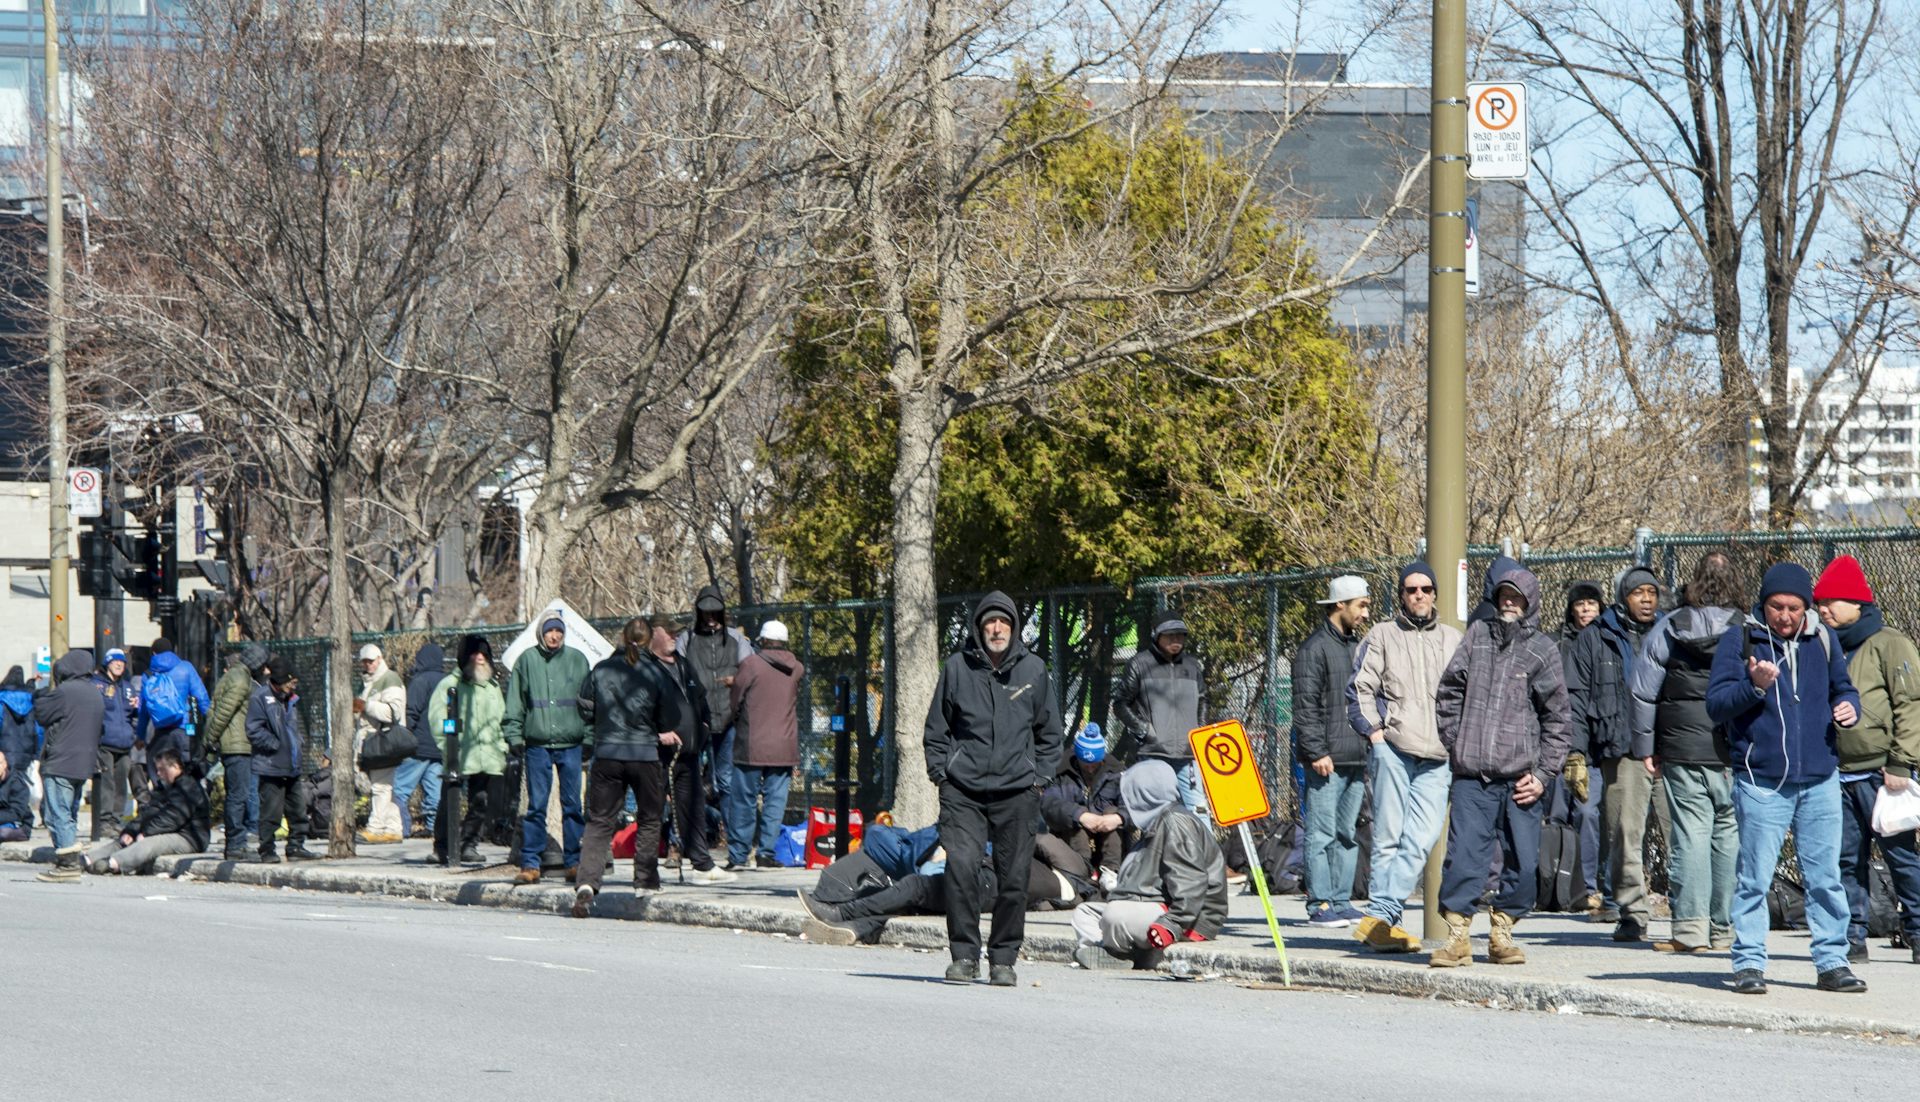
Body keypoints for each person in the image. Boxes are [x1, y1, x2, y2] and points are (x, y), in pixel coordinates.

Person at [1707, 562, 1865, 996]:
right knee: (1754, 878)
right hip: (1761, 780)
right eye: (1776, 606)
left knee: (1825, 877)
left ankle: (1833, 962)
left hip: (1819, 778)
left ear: (1807, 607)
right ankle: (1749, 964)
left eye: (1794, 607)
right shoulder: (1740, 639)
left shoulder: (1823, 639)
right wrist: (1754, 686)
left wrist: (1850, 708)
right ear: (1764, 604)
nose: (1785, 615)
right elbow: (1717, 705)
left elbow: (1843, 689)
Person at [1428, 567, 1572, 967]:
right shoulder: (1476, 637)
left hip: (1522, 780)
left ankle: (1502, 931)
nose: (1509, 602)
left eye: (1517, 596)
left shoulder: (1543, 649)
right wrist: (1458, 744)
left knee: (1524, 863)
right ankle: (1457, 937)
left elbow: (1559, 719)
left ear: (1530, 602)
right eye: (1504, 595)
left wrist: (1543, 775)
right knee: (1463, 859)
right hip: (1473, 776)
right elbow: (1449, 691)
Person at [925, 591, 1064, 987]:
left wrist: (1039, 779)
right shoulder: (956, 668)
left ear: (1014, 627)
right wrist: (942, 774)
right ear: (979, 628)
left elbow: (1049, 733)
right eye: (989, 622)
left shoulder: (1034, 670)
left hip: (1018, 791)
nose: (996, 628)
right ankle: (964, 957)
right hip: (963, 792)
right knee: (962, 868)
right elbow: (937, 729)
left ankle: (1004, 958)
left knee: (1014, 877)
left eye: (1003, 622)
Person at [1346, 561, 1463, 954]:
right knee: (1388, 838)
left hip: (1439, 754)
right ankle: (1387, 926)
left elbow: (1467, 694)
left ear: (1435, 594)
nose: (1419, 595)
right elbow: (1360, 686)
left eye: (1426, 589)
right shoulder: (1382, 635)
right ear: (1401, 595)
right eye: (1411, 589)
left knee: (1423, 837)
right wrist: (1375, 734)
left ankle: (1379, 913)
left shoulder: (1452, 639)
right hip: (1394, 749)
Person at [1630, 550, 1744, 953]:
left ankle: (1691, 929)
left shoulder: (1669, 627)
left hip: (1681, 747)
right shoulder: (1746, 629)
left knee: (1691, 833)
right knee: (1728, 834)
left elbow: (1642, 690)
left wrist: (1646, 745)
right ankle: (1723, 929)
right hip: (1732, 749)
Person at [1813, 555, 1920, 964]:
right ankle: (1851, 937)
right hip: (1835, 774)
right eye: (1819, 603)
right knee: (1845, 860)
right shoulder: (1821, 645)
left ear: (1858, 602)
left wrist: (1900, 763)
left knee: (1901, 858)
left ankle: (1917, 929)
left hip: (1881, 773)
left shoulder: (1889, 643)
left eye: (1832, 601)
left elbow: (1910, 705)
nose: (1823, 609)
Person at [1569, 565, 1669, 940]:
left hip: (1668, 747)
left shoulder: (1671, 631)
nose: (1647, 599)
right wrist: (1576, 751)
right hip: (1622, 747)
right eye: (1638, 593)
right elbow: (1575, 698)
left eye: (1652, 592)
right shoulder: (1596, 637)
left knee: (1682, 832)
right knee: (1624, 834)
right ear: (1623, 598)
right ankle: (1632, 912)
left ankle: (1695, 911)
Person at [1070, 759, 1229, 971]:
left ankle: (1124, 953)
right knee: (1085, 913)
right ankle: (1117, 954)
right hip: (1159, 907)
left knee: (1114, 915)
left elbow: (1191, 881)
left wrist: (1172, 923)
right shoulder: (1157, 820)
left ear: (1143, 794)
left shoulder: (1176, 822)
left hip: (1189, 918)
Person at [573, 617, 683, 917]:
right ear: (649, 640)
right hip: (644, 753)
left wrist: (603, 718)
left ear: (623, 637)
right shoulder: (656, 672)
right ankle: (645, 879)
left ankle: (587, 881)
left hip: (608, 751)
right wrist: (657, 729)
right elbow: (671, 713)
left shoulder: (603, 668)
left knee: (600, 821)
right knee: (649, 818)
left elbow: (583, 704)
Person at [1293, 573, 1373, 928]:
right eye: (1361, 605)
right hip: (1326, 759)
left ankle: (1341, 899)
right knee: (1321, 833)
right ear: (1339, 604)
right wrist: (1316, 751)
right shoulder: (1313, 649)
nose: (1365, 613)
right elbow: (1305, 706)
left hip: (1356, 755)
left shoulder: (1355, 647)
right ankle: (1320, 904)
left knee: (1346, 833)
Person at [503, 615, 591, 884]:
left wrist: (589, 737)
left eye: (558, 631)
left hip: (571, 744)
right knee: (536, 807)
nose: (554, 636)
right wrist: (514, 736)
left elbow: (589, 704)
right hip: (538, 746)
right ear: (541, 633)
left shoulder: (577, 660)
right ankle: (531, 864)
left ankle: (574, 861)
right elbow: (515, 702)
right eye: (550, 631)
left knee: (573, 805)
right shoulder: (527, 661)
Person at [648, 616, 736, 884]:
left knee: (695, 808)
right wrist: (655, 735)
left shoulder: (684, 666)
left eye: (677, 632)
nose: (675, 636)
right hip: (657, 754)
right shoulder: (646, 668)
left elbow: (700, 701)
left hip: (689, 752)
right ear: (654, 633)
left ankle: (703, 864)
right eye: (669, 632)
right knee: (652, 811)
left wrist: (705, 725)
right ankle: (647, 868)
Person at [727, 620, 806, 870]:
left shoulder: (751, 665)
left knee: (744, 800)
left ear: (761, 640)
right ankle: (766, 853)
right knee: (775, 801)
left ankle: (739, 855)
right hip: (784, 744)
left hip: (752, 743)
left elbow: (736, 700)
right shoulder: (797, 669)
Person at [677, 586, 753, 846]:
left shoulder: (736, 640)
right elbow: (676, 673)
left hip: (728, 719)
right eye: (706, 612)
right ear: (698, 612)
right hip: (695, 722)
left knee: (727, 782)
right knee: (686, 779)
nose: (710, 618)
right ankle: (682, 841)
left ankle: (735, 843)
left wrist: (737, 682)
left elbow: (751, 673)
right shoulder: (686, 639)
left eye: (715, 613)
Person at [1113, 615, 1208, 813]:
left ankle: (1201, 845)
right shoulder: (1139, 664)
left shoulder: (1192, 666)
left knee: (1198, 810)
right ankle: (1156, 845)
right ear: (1157, 636)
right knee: (1156, 811)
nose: (1176, 641)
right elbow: (1120, 703)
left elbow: (1203, 698)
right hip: (1153, 754)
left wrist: (1199, 729)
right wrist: (1145, 730)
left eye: (1181, 636)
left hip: (1188, 755)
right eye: (1170, 635)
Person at [429, 634, 508, 866]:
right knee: (448, 801)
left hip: (489, 756)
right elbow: (438, 720)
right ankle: (442, 846)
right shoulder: (450, 685)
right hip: (460, 755)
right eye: (474, 653)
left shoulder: (493, 687)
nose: (480, 658)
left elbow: (501, 720)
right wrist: (450, 748)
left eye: (484, 654)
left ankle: (468, 844)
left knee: (480, 802)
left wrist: (501, 746)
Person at [1554, 580, 1606, 910]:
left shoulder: (1607, 641)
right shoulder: (1557, 645)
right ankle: (1556, 887)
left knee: (1588, 812)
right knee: (1558, 816)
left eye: (1591, 603)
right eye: (1580, 603)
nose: (1586, 609)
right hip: (1558, 741)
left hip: (1594, 746)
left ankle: (1589, 887)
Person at [32, 649, 103, 882]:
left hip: (60, 761)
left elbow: (41, 714)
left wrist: (41, 694)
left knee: (57, 813)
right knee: (69, 811)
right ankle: (69, 857)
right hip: (84, 763)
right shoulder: (95, 694)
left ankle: (67, 865)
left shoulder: (64, 692)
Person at [85, 747, 209, 874]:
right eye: (157, 770)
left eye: (162, 769)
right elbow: (149, 810)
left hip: (189, 837)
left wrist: (147, 832)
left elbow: (173, 818)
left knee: (150, 843)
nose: (159, 774)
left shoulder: (188, 787)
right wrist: (131, 830)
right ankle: (88, 859)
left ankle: (113, 863)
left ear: (176, 766)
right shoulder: (165, 787)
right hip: (169, 830)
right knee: (125, 839)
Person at [248, 656, 316, 864]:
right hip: (271, 766)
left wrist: (297, 744)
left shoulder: (291, 699)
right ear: (281, 680)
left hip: (291, 765)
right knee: (271, 811)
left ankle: (296, 845)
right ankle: (267, 849)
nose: (294, 686)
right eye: (292, 682)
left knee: (297, 809)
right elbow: (253, 729)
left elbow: (294, 729)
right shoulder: (261, 698)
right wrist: (275, 744)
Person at [206, 644, 271, 860]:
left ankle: (238, 842)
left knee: (240, 794)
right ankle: (235, 844)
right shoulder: (240, 680)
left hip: (240, 744)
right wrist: (210, 739)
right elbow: (224, 712)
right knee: (239, 795)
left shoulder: (236, 676)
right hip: (237, 745)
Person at [1040, 723, 1126, 881]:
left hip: (1106, 844)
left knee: (1112, 812)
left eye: (1095, 764)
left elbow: (1132, 806)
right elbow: (1048, 804)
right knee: (1073, 817)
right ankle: (1081, 872)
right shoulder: (1061, 772)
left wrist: (1118, 818)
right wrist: (1079, 815)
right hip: (1072, 845)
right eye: (1085, 764)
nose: (1090, 769)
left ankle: (1111, 872)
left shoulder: (1116, 773)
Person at [354, 644, 410, 845]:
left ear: (379, 659)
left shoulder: (390, 679)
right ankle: (394, 829)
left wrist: (366, 706)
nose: (368, 665)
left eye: (371, 660)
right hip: (371, 741)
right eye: (365, 661)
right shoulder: (368, 682)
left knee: (380, 786)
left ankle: (375, 828)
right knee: (386, 787)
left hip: (384, 740)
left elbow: (392, 713)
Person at [135, 638, 211, 781]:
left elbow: (143, 710)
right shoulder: (186, 668)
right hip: (187, 728)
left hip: (162, 731)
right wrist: (211, 724)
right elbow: (202, 698)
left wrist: (140, 735)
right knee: (188, 768)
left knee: (162, 772)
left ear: (154, 653)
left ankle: (166, 798)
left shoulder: (148, 675)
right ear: (172, 651)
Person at [394, 643, 446, 838]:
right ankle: (434, 828)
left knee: (400, 788)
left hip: (419, 746)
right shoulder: (448, 681)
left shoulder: (420, 680)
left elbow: (411, 712)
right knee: (435, 790)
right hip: (440, 747)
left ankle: (401, 827)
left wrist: (405, 736)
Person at [89, 649, 139, 842]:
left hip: (125, 744)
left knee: (120, 784)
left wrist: (135, 721)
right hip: (105, 743)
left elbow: (133, 715)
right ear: (107, 663)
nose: (119, 664)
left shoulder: (128, 687)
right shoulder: (96, 685)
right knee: (106, 783)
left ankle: (116, 819)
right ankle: (104, 821)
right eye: (115, 661)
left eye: (122, 662)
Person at [0, 666, 34, 841]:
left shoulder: (1, 700)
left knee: (8, 787)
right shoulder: (31, 701)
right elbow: (38, 730)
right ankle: (18, 820)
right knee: (17, 787)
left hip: (4, 748)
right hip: (25, 753)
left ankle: (15, 821)